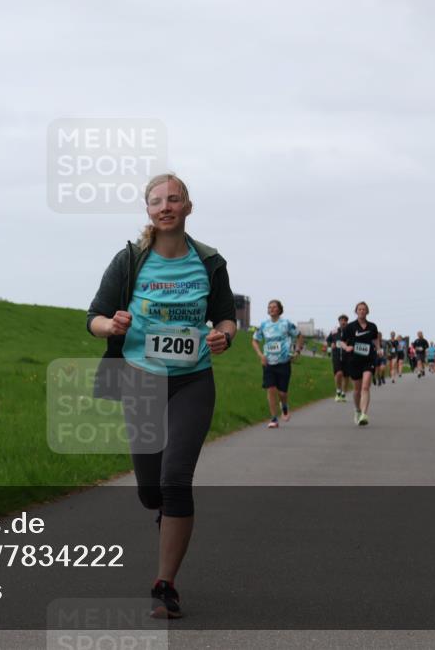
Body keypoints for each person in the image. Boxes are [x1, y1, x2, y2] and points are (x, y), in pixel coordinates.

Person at [87, 173, 236, 619]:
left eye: (174, 199)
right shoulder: (130, 260)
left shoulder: (209, 262)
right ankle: (163, 514)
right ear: (148, 211)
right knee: (151, 490)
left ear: (189, 206)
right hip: (141, 378)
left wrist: (223, 337)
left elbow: (227, 320)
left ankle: (165, 584)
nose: (165, 206)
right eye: (157, 201)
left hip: (193, 380)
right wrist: (110, 326)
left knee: (175, 480)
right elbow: (93, 316)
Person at [252, 300, 304, 427]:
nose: (271, 309)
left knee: (282, 393)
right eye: (269, 307)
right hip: (268, 363)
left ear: (280, 309)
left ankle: (284, 406)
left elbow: (299, 336)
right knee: (270, 389)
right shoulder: (264, 325)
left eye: (274, 307)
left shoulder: (286, 324)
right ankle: (274, 418)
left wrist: (297, 351)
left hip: (284, 362)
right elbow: (254, 340)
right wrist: (261, 355)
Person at [340, 302, 380, 426]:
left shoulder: (372, 326)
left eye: (364, 309)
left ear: (367, 311)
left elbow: (375, 338)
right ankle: (357, 410)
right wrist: (346, 347)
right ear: (356, 311)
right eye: (359, 309)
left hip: (369, 359)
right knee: (357, 389)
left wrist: (378, 348)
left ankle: (364, 414)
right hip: (354, 360)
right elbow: (341, 341)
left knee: (365, 387)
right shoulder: (350, 327)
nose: (362, 311)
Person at [326, 315, 349, 402]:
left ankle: (343, 393)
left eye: (345, 320)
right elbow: (328, 340)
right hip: (336, 355)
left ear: (347, 322)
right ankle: (338, 391)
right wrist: (330, 346)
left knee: (346, 376)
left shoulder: (350, 332)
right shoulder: (334, 331)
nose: (343, 322)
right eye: (341, 320)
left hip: (347, 356)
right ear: (339, 322)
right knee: (338, 373)